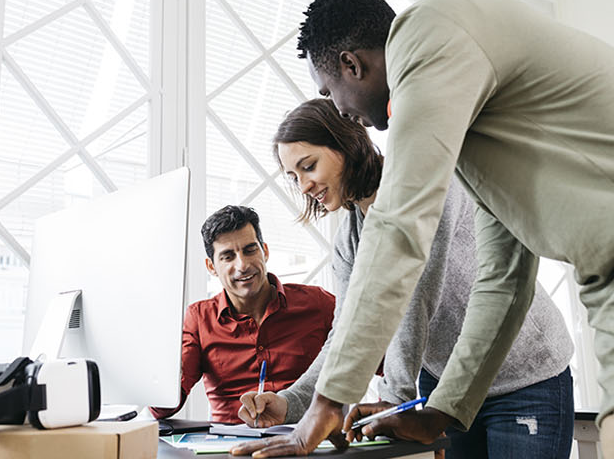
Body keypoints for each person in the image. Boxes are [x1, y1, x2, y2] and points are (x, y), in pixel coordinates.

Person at [232, 0, 614, 457]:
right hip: (596, 285)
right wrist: (441, 411)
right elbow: (504, 279)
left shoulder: (427, 32)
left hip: (529, 372)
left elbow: (403, 240)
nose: (339, 109)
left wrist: (332, 401)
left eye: (329, 91)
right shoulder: (474, 140)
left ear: (352, 64)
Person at [236, 98, 574, 457]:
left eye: (308, 166)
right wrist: (293, 403)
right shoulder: (349, 239)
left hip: (524, 377)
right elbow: (347, 332)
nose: (303, 186)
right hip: (445, 388)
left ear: (345, 144)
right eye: (293, 176)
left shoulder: (421, 185)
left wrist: (395, 398)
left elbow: (416, 298)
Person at [149, 205, 334, 424]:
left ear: (264, 251)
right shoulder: (199, 318)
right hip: (230, 448)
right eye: (228, 257)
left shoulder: (318, 303)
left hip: (312, 442)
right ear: (212, 267)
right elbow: (164, 406)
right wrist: (160, 371)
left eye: (250, 250)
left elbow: (377, 353)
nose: (243, 265)